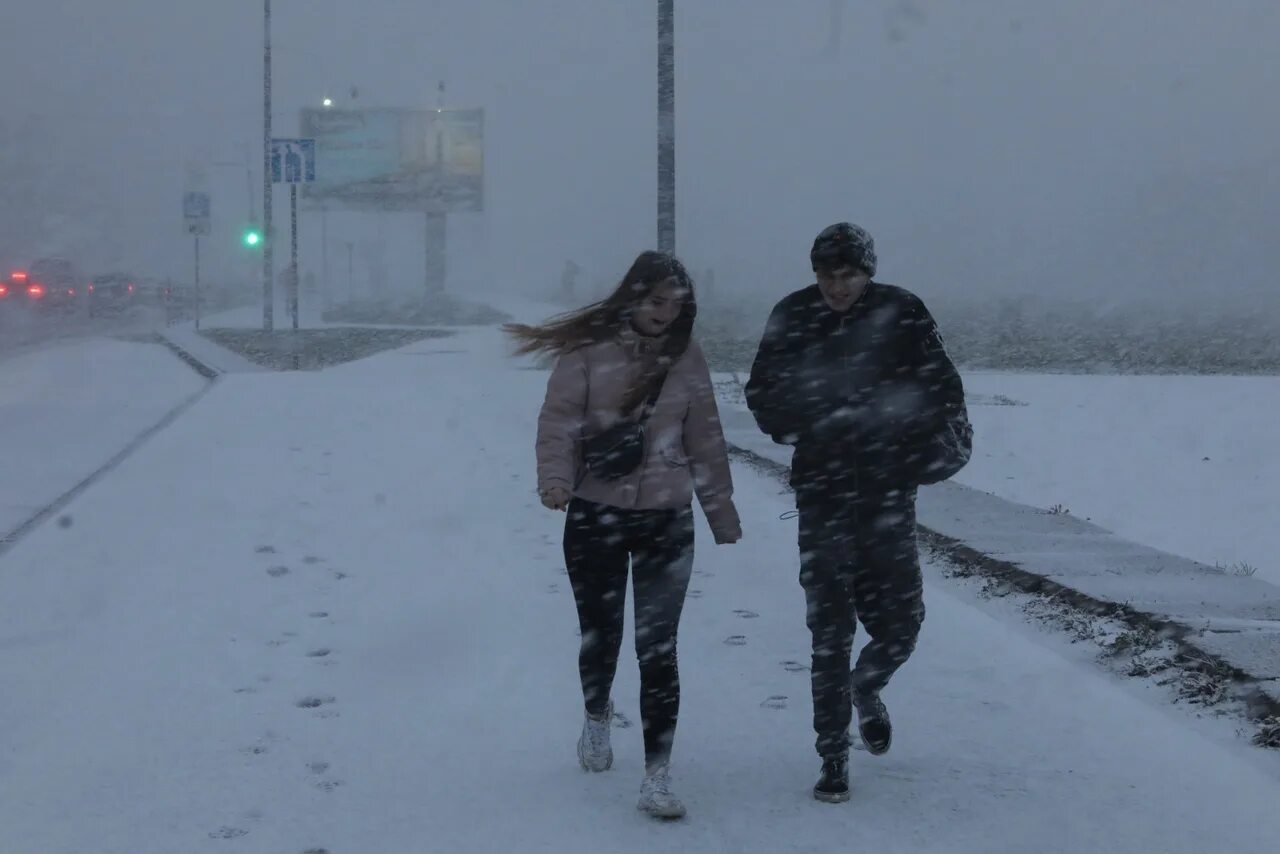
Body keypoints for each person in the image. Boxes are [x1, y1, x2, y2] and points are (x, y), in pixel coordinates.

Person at [507, 251, 742, 820]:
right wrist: (556, 481)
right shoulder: (586, 351)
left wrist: (720, 511)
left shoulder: (686, 357)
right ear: (633, 295)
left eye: (675, 304)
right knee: (601, 633)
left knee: (658, 648)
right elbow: (558, 423)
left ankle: (657, 774)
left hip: (667, 517)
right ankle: (595, 715)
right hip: (596, 512)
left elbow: (705, 437)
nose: (665, 313)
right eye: (656, 300)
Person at [744, 223, 971, 803]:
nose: (836, 286)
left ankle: (864, 688)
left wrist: (910, 446)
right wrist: (811, 425)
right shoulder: (792, 313)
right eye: (826, 275)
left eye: (847, 274)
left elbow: (943, 389)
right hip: (821, 492)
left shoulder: (903, 311)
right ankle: (832, 755)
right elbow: (762, 391)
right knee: (830, 628)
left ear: (868, 272)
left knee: (901, 626)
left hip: (888, 493)